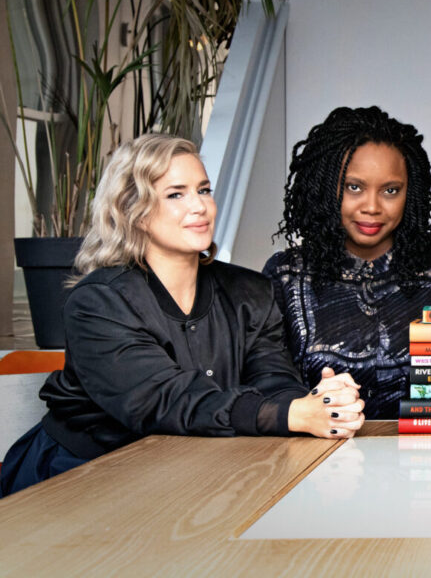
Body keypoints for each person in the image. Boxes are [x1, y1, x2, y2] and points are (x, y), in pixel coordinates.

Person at [0, 135, 363, 498]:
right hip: (80, 477)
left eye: (203, 190)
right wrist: (291, 415)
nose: (200, 206)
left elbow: (273, 378)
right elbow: (165, 401)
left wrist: (321, 403)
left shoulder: (250, 291)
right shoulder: (99, 302)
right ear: (134, 211)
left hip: (196, 472)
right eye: (176, 194)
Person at [264, 107, 431, 419]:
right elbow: (270, 391)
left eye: (390, 190)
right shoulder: (287, 276)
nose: (372, 207)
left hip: (430, 457)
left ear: (411, 192)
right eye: (354, 187)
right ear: (326, 187)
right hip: (323, 459)